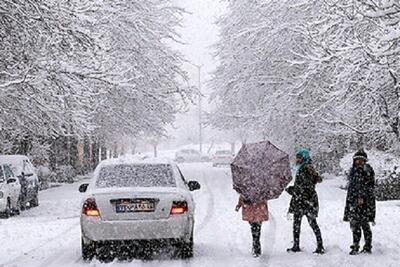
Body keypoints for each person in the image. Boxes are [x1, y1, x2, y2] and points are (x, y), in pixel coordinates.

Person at [286, 148, 325, 254]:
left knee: (311, 223)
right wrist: (293, 189)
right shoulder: (303, 168)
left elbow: (306, 187)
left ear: (305, 157)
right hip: (303, 200)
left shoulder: (306, 169)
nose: (297, 159)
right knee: (299, 223)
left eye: (299, 157)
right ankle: (296, 245)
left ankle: (319, 246)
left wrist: (293, 190)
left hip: (306, 201)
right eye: (297, 157)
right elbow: (302, 185)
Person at [344, 149, 376, 255]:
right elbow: (353, 186)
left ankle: (367, 246)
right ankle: (356, 245)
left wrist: (362, 196)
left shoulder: (368, 171)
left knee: (364, 224)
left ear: (364, 161)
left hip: (365, 203)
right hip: (353, 201)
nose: (358, 162)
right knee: (354, 225)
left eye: (361, 160)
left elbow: (368, 186)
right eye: (357, 160)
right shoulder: (353, 170)